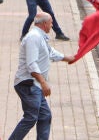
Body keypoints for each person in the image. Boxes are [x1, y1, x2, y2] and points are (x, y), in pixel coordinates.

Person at [9, 12, 74, 140]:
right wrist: (43, 83)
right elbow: (31, 64)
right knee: (31, 117)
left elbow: (50, 52)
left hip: (35, 84)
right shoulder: (34, 37)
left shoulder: (40, 36)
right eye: (51, 22)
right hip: (28, 84)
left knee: (44, 116)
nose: (52, 25)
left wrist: (68, 58)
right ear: (44, 24)